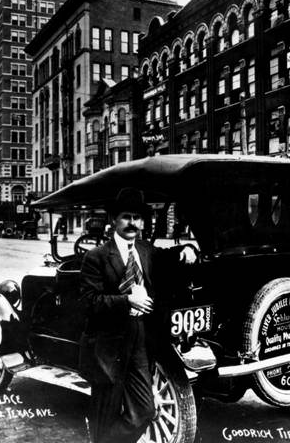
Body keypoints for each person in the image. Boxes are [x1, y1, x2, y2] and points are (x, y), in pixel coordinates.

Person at [79, 188, 197, 443]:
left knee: (145, 411)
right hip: (108, 346)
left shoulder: (146, 251)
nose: (132, 223)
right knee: (104, 417)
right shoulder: (96, 257)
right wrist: (127, 300)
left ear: (143, 221)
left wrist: (186, 249)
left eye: (137, 217)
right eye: (126, 217)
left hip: (140, 341)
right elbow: (88, 302)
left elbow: (170, 257)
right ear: (113, 219)